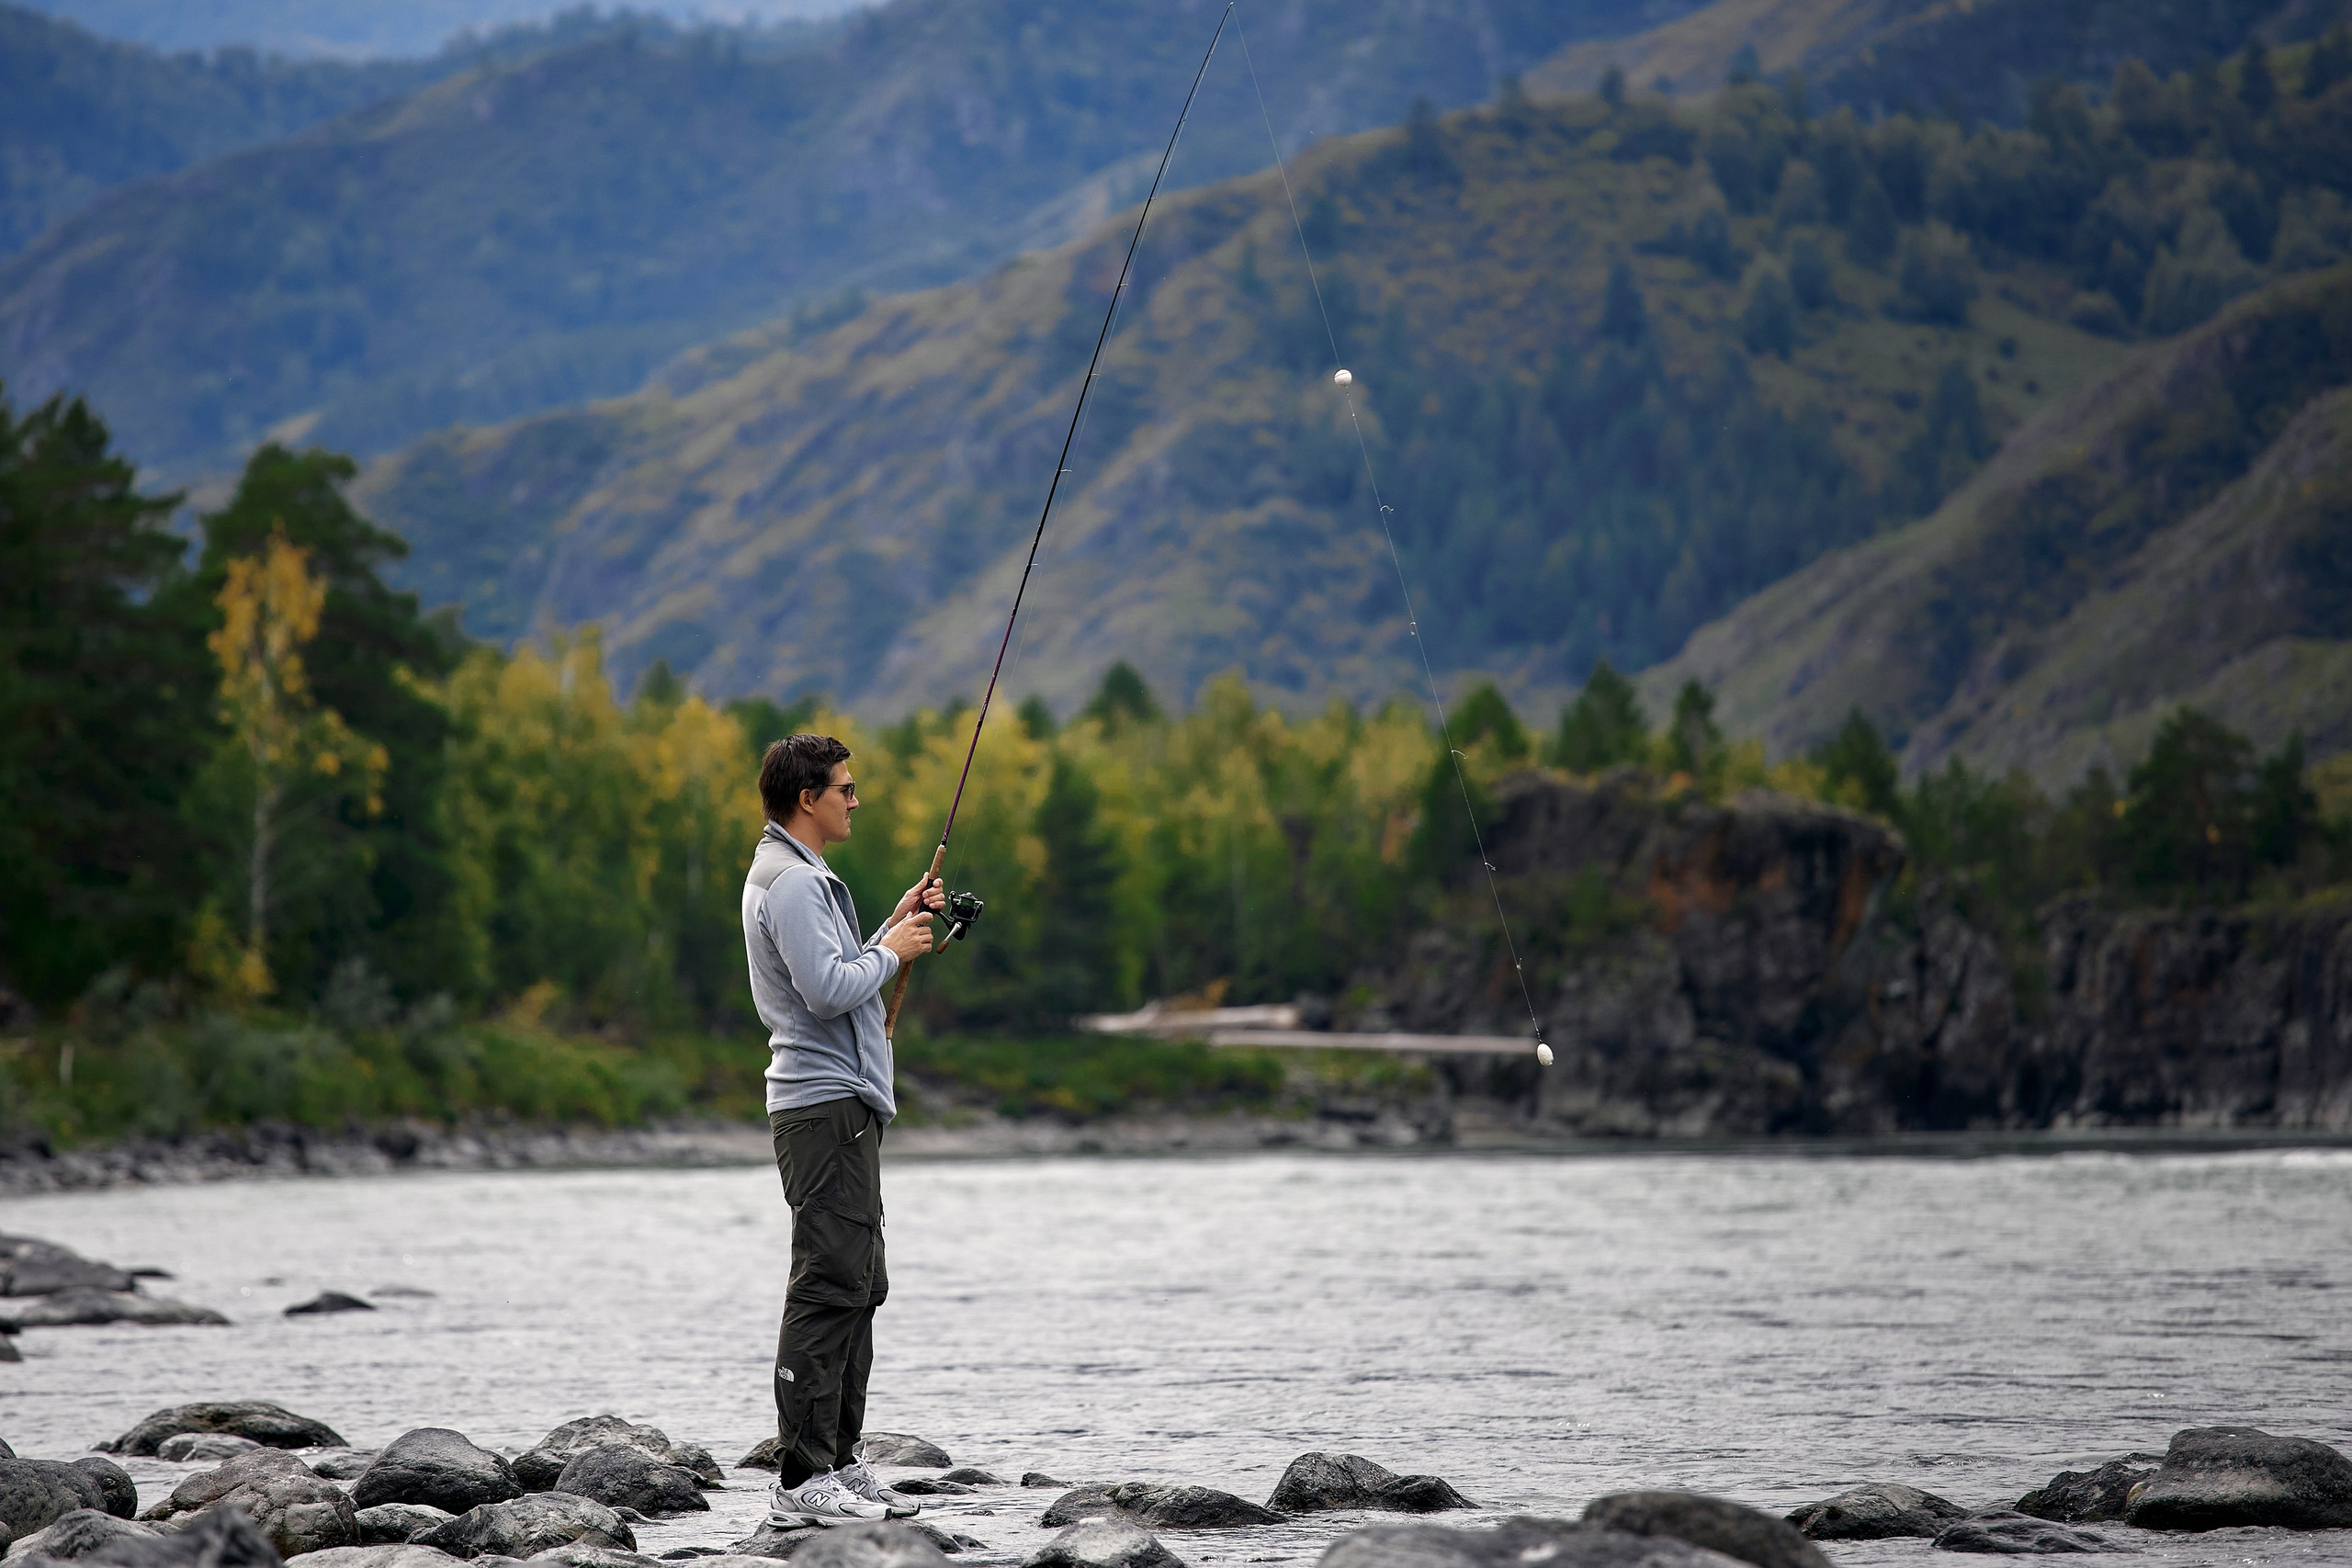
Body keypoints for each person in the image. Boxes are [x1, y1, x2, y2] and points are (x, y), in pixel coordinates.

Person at [742, 732, 944, 1526]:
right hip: (821, 1108)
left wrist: (889, 928)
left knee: (862, 1283)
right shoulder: (790, 881)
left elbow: (831, 973)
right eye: (846, 789)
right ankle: (801, 1480)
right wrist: (892, 953)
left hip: (842, 1107)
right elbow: (828, 992)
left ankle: (843, 1461)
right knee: (827, 1285)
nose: (855, 800)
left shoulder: (800, 876)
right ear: (807, 799)